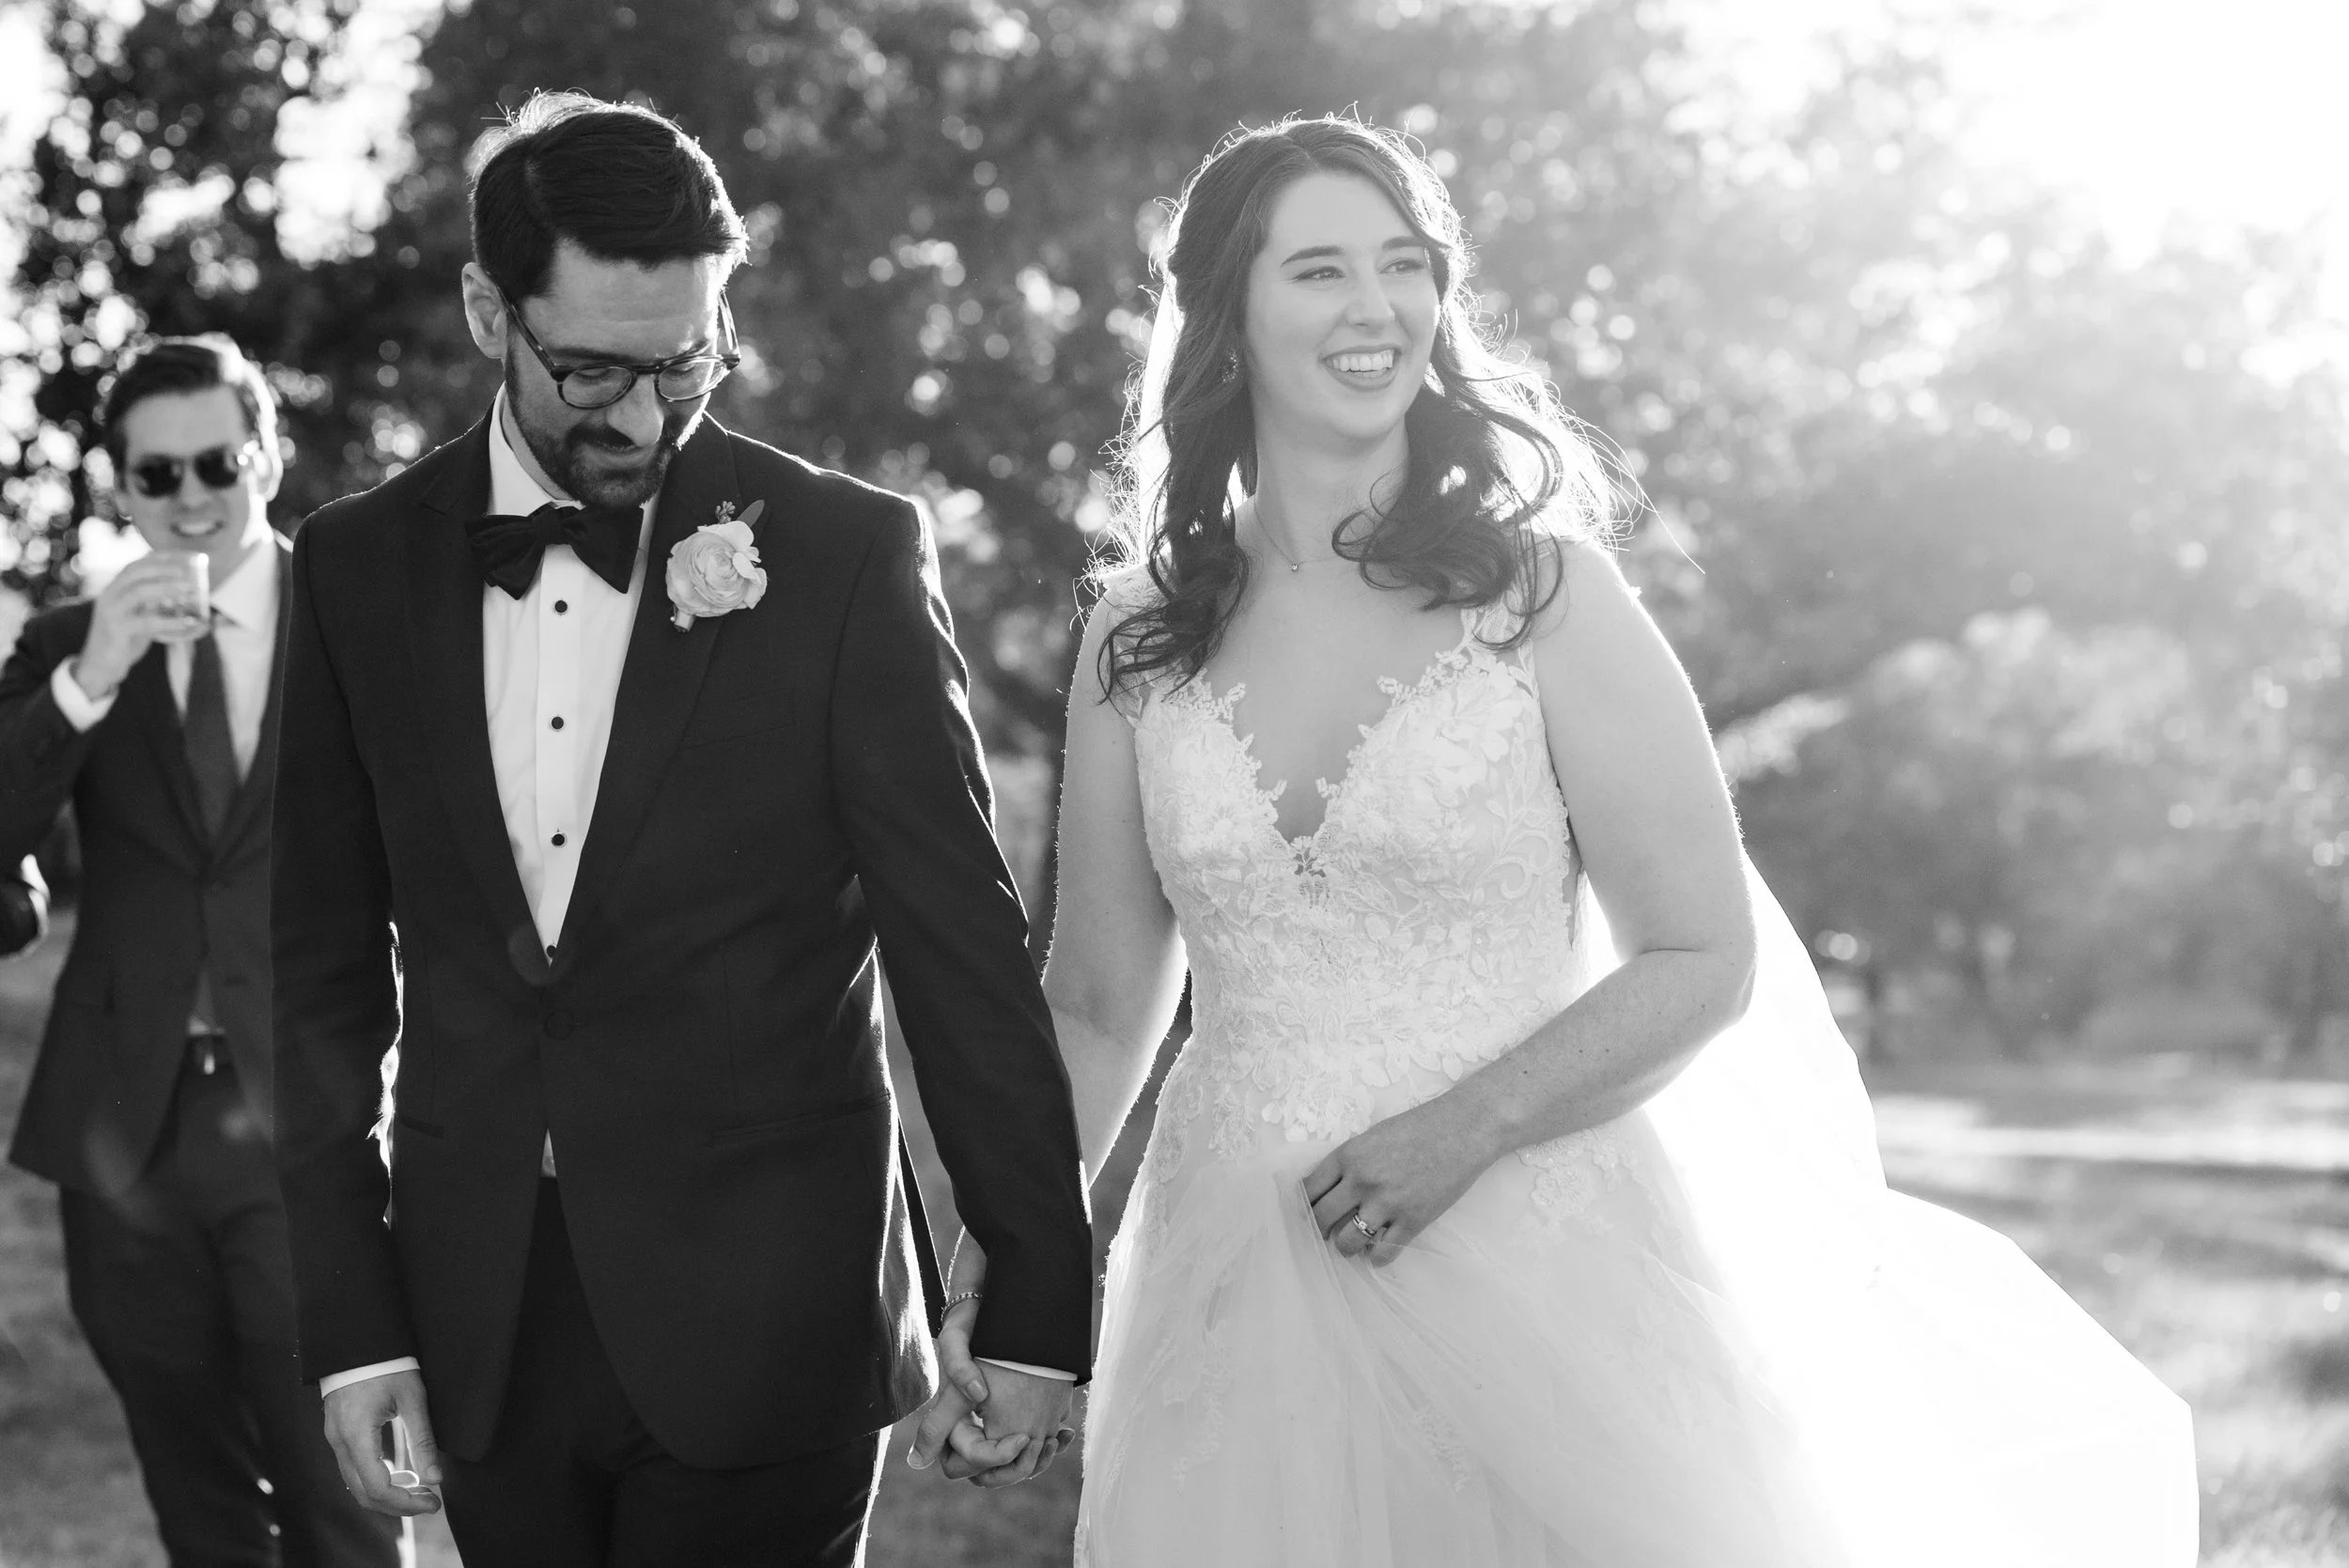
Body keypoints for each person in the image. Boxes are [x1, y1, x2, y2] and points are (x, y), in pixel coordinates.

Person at [908, 116, 2199, 1564]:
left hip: (1544, 1250)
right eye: (1321, 271)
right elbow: (1093, 1008)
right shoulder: (1134, 638)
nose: (1377, 309)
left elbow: (1700, 955)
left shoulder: (1545, 599)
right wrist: (1009, 1283)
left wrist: (1465, 1133)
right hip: (1233, 1269)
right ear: (1227, 319)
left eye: (1406, 267)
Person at [270, 91, 1091, 1566]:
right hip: (480, 1323)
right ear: (485, 309)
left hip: (777, 1316)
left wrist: (1035, 1288)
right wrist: (351, 1326)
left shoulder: (845, 556)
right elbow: (319, 981)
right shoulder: (349, 571)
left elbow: (956, 941)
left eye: (689, 363)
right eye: (590, 371)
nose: (646, 419)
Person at [0, 336, 402, 1566]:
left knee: (344, 1503)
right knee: (201, 1508)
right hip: (124, 1143)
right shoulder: (70, 641)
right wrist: (89, 678)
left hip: (311, 1136)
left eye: (217, 463)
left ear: (267, 458)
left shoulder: (360, 630)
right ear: (121, 486)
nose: (190, 498)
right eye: (155, 474)